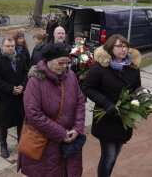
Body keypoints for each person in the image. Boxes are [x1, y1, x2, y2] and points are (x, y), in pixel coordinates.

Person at [18, 43, 86, 177]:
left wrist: (78, 128)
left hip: (70, 143)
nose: (65, 66)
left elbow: (80, 102)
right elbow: (34, 114)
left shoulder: (71, 76)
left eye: (67, 62)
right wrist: (61, 133)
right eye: (61, 63)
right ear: (48, 61)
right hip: (45, 144)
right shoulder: (35, 81)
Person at [82, 34, 141, 177]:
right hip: (106, 118)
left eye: (126, 46)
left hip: (124, 118)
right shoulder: (100, 68)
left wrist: (143, 97)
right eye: (119, 46)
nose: (124, 49)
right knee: (108, 156)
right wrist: (106, 103)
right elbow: (87, 87)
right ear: (110, 48)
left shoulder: (132, 67)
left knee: (115, 155)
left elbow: (137, 87)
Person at [0, 37, 28, 158]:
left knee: (20, 121)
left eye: (12, 46)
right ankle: (3, 145)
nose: (11, 48)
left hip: (19, 96)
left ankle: (21, 143)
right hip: (4, 97)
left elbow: (26, 73)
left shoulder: (20, 57)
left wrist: (22, 86)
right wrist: (11, 89)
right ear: (3, 47)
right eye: (8, 46)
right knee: (3, 123)